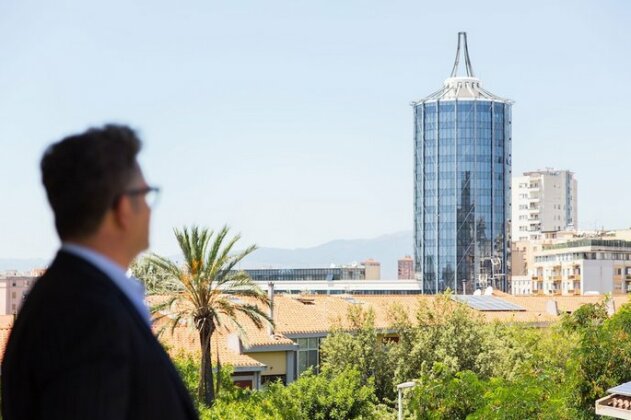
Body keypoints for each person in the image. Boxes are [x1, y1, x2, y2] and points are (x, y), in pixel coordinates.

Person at [1, 125, 198, 420]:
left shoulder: (68, 297)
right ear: (122, 208)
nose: (150, 209)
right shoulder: (87, 316)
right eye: (146, 194)